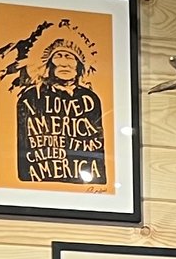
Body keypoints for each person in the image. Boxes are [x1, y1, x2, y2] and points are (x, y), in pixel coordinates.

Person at [15, 34, 107, 186]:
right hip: (39, 177)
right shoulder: (31, 97)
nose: (64, 63)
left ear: (79, 65)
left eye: (69, 57)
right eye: (58, 56)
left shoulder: (90, 99)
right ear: (49, 64)